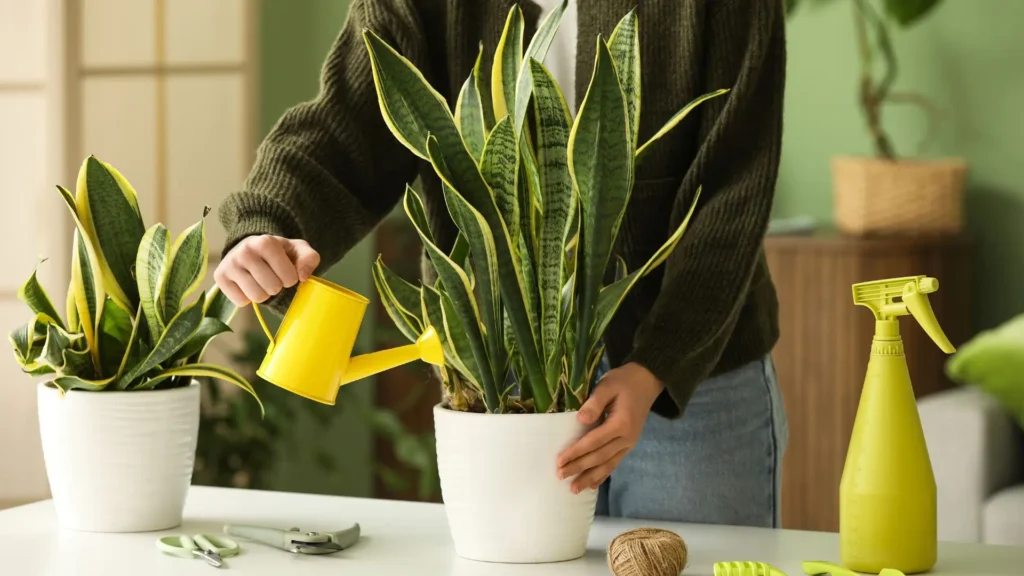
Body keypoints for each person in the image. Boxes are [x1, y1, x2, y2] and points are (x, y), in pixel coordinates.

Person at [215, 0, 788, 527]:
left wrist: (657, 365)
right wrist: (269, 226)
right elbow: (345, 127)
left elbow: (733, 185)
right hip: (498, 378)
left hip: (694, 378)